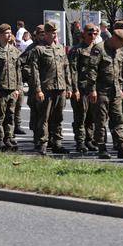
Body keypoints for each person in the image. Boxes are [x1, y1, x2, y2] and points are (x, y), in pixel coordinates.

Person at [87, 29, 123, 159]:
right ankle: (102, 147)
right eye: (121, 43)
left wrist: (121, 87)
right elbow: (92, 70)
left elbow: (120, 70)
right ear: (114, 38)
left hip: (115, 91)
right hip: (101, 91)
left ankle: (122, 147)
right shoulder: (99, 49)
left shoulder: (119, 50)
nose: (122, 46)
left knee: (118, 119)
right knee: (101, 120)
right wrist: (92, 89)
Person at [30, 22, 72, 155]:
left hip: (60, 87)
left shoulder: (60, 48)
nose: (54, 34)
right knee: (45, 118)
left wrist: (69, 86)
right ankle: (43, 143)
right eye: (52, 32)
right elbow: (35, 71)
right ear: (46, 34)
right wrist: (38, 90)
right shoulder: (39, 49)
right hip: (46, 88)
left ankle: (57, 143)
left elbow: (66, 68)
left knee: (58, 117)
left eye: (55, 32)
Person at [0, 24, 22, 152]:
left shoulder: (15, 51)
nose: (9, 34)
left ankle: (8, 138)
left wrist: (18, 88)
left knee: (10, 116)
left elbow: (18, 71)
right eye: (6, 33)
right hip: (0, 89)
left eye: (10, 32)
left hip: (12, 89)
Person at [68, 23, 99, 152]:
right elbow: (72, 71)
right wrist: (74, 89)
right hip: (81, 88)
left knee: (92, 116)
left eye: (95, 33)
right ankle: (80, 142)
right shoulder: (77, 50)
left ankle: (89, 140)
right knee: (81, 116)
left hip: (94, 89)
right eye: (90, 33)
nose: (93, 36)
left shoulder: (98, 49)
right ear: (84, 34)